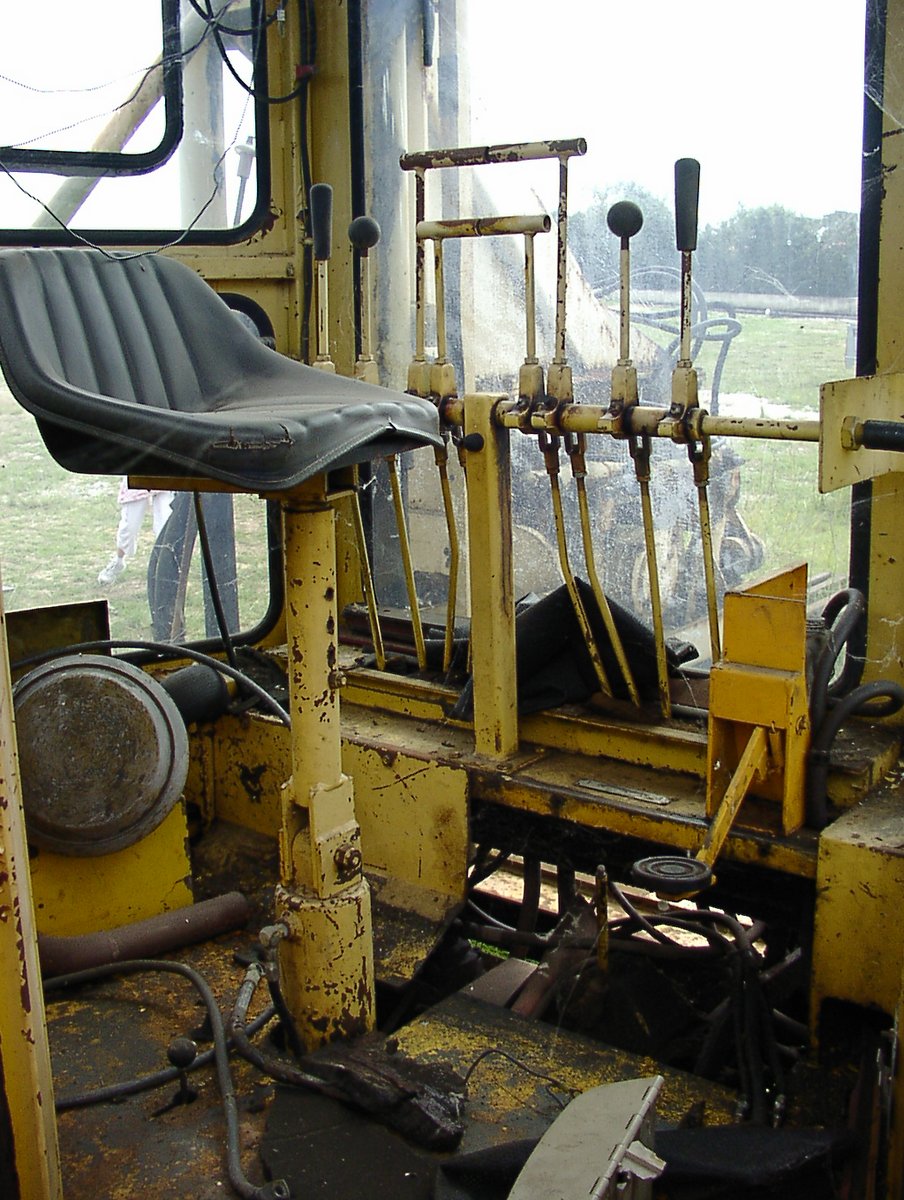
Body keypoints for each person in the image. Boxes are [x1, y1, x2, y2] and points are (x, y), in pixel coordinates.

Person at [97, 479, 175, 586]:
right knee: (129, 527)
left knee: (165, 527)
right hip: (137, 477)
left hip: (163, 476)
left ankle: (166, 570)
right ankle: (118, 562)